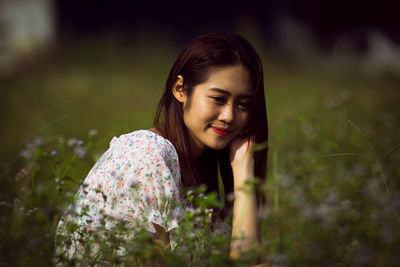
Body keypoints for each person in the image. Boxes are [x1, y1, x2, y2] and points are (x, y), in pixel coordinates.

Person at [54, 32, 268, 264]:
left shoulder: (198, 175)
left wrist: (243, 167)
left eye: (243, 105)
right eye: (218, 99)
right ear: (180, 89)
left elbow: (246, 261)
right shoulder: (147, 154)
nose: (229, 116)